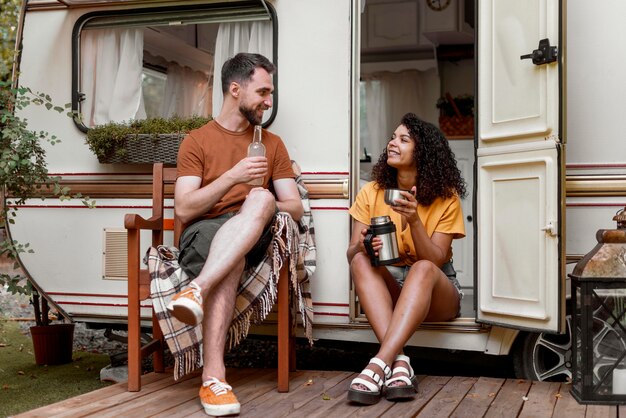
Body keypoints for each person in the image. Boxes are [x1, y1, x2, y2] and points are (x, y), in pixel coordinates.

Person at [167, 52, 303, 417]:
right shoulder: (196, 141)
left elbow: (295, 206)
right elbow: (184, 209)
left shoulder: (272, 144)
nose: (269, 100)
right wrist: (233, 176)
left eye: (270, 92)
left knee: (261, 197)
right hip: (205, 232)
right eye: (262, 91)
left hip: (255, 231)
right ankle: (214, 378)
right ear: (234, 89)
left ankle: (197, 291)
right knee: (231, 255)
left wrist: (261, 203)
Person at [346, 113, 466, 405]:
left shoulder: (445, 198)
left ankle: (378, 363)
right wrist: (363, 246)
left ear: (422, 152)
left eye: (403, 139)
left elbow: (435, 260)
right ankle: (399, 363)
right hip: (393, 283)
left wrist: (413, 220)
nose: (392, 143)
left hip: (436, 289)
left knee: (423, 268)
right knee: (359, 261)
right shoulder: (371, 191)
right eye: (392, 137)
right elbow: (350, 252)